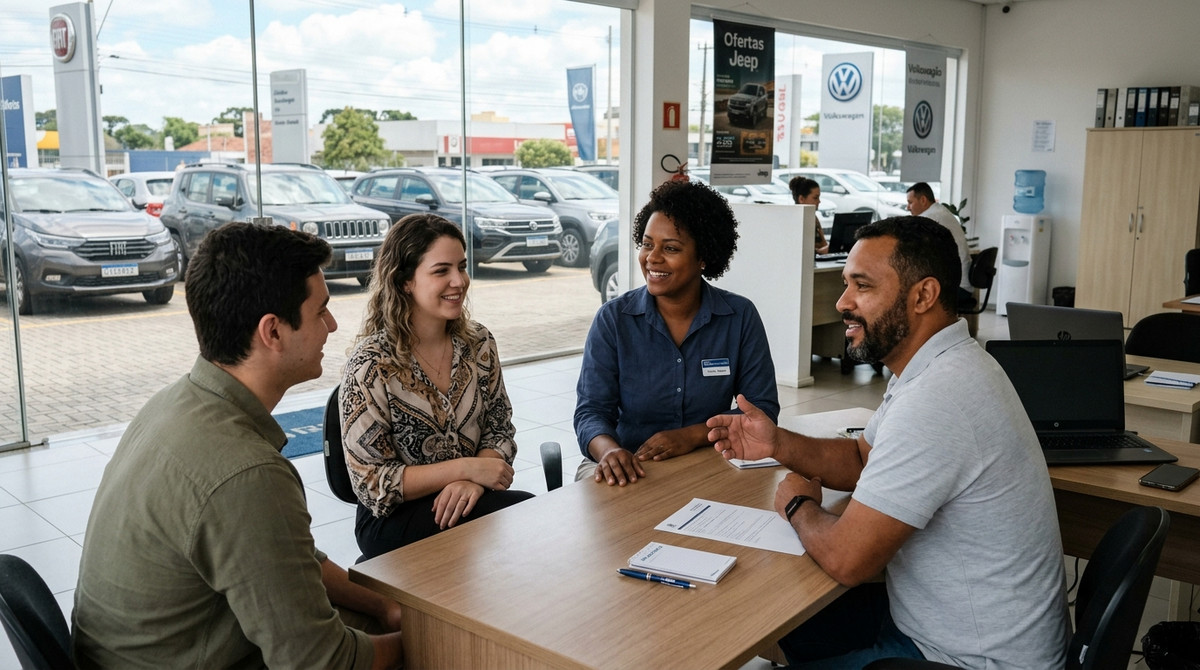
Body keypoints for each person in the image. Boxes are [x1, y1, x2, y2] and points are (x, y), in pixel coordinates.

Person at [707, 216, 1070, 668]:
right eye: (846, 284)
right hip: (946, 627)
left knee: (766, 624)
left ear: (923, 295)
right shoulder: (943, 363)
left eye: (862, 286)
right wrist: (777, 443)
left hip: (967, 660)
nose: (842, 302)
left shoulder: (938, 398)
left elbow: (847, 560)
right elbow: (863, 458)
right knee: (771, 623)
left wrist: (799, 506)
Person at [73, 222, 404, 669]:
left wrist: (384, 606)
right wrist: (429, 640)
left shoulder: (174, 402)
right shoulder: (247, 475)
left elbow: (285, 557)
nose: (332, 325)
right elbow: (323, 663)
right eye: (321, 311)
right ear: (273, 332)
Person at [341, 213, 533, 560]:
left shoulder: (479, 343)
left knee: (524, 519)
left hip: (471, 497)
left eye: (462, 267)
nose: (459, 281)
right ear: (405, 281)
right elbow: (373, 484)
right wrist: (465, 469)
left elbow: (499, 429)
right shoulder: (370, 363)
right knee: (524, 513)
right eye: (441, 270)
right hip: (391, 517)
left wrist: (472, 481)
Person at [575, 179, 780, 486]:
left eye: (670, 248)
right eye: (647, 244)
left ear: (703, 257)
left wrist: (691, 436)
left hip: (709, 457)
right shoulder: (614, 320)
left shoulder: (738, 317)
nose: (652, 258)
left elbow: (761, 410)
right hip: (628, 465)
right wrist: (609, 451)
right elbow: (590, 412)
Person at [906, 181, 972, 304]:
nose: (907, 207)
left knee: (907, 295)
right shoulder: (940, 212)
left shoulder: (931, 217)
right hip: (961, 285)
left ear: (923, 200)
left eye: (910, 203)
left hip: (956, 287)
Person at [788, 176, 829, 254]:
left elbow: (823, 244)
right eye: (815, 198)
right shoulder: (793, 220)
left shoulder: (814, 218)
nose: (819, 201)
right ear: (801, 199)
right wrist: (819, 251)